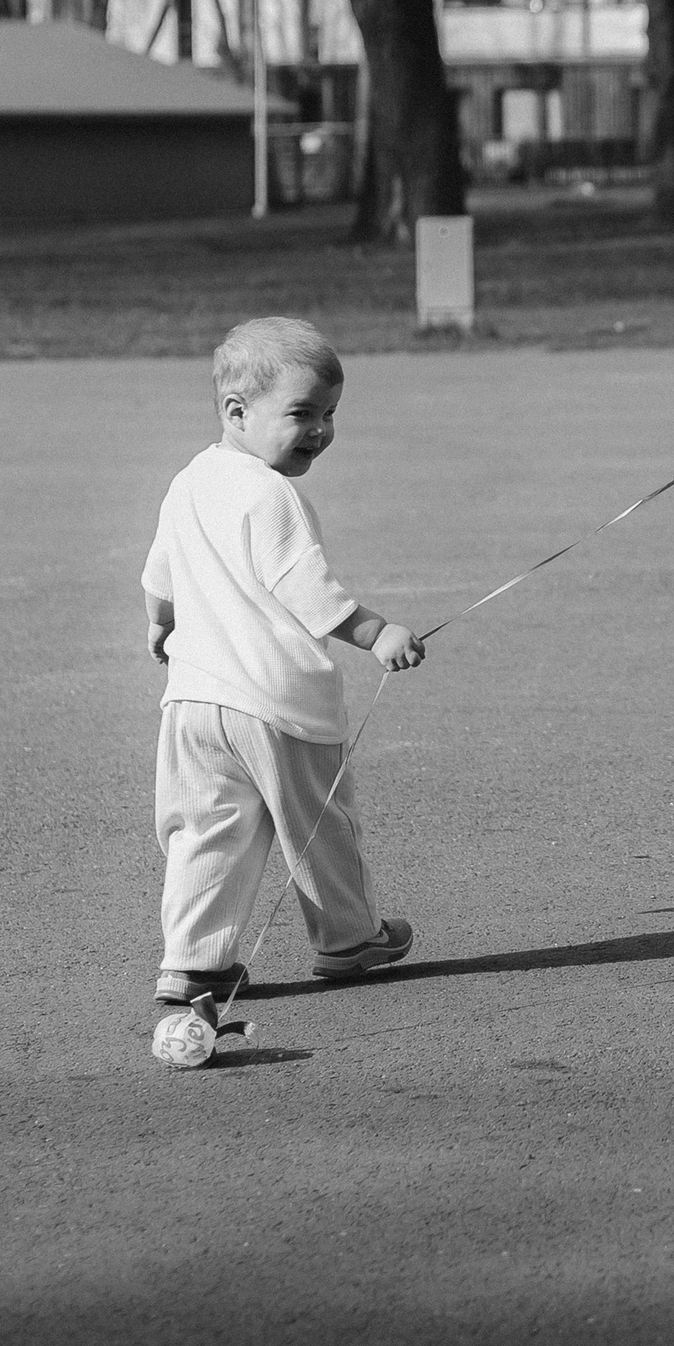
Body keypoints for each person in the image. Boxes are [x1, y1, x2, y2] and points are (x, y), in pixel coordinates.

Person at [144, 315, 424, 1025]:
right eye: (301, 413)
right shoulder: (272, 494)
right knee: (319, 823)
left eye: (329, 414)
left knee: (205, 832)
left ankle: (193, 961)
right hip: (277, 703)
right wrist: (380, 632)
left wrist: (162, 624)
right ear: (236, 412)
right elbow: (313, 595)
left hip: (194, 703)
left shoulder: (190, 480)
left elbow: (160, 577)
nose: (320, 430)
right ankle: (349, 938)